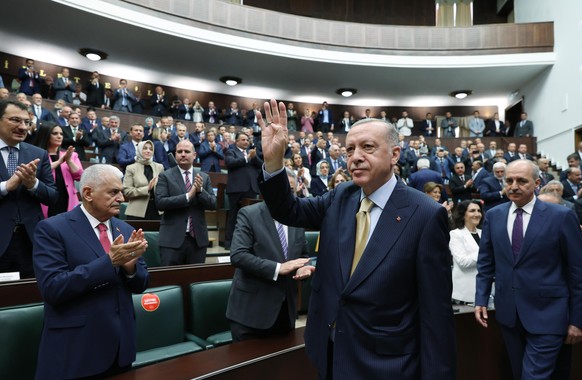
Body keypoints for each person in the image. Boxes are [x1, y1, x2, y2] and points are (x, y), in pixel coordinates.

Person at [256, 99, 455, 379]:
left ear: (395, 154)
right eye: (350, 149)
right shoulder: (341, 196)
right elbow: (287, 209)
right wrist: (274, 162)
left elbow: (436, 314)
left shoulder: (426, 214)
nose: (355, 157)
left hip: (386, 364)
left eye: (368, 147)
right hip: (330, 351)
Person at [32, 164, 149, 379]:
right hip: (76, 350)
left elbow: (140, 283)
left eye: (121, 191)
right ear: (88, 193)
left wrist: (130, 268)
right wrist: (110, 262)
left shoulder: (126, 229)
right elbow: (53, 288)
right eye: (113, 192)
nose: (121, 198)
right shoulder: (53, 229)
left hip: (121, 349)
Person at [475, 159, 582, 380]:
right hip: (509, 314)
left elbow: (577, 271)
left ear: (537, 182)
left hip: (550, 315)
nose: (514, 186)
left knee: (532, 376)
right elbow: (486, 262)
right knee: (521, 374)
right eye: (509, 180)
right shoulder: (494, 216)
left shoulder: (560, 216)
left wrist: (577, 319)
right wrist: (481, 299)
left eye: (522, 181)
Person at [226, 168, 314, 341]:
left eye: (288, 189)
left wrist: (302, 270)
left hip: (285, 314)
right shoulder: (249, 214)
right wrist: (278, 268)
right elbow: (238, 255)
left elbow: (302, 256)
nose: (283, 194)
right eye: (278, 188)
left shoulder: (297, 218)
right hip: (251, 315)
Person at [0, 100, 58, 278]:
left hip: (31, 241)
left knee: (29, 295)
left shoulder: (38, 154)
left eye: (27, 122)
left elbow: (53, 196)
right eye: (16, 120)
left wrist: (33, 184)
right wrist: (6, 186)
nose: (23, 127)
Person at [155, 140, 216, 265]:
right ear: (175, 154)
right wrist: (188, 196)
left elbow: (212, 204)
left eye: (187, 151)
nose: (183, 154)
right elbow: (160, 203)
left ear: (194, 155)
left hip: (197, 241)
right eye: (179, 151)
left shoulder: (204, 177)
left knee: (195, 281)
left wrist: (200, 191)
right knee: (171, 280)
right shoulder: (165, 176)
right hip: (172, 241)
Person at [33, 121, 83, 218]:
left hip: (66, 199)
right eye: (55, 133)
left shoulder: (71, 155)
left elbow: (80, 176)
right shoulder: (36, 154)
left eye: (61, 134)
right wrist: (59, 162)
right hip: (45, 199)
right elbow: (36, 173)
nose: (59, 136)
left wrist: (69, 161)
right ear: (46, 135)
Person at [224, 131, 263, 249]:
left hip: (251, 188)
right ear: (236, 141)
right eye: (243, 140)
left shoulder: (251, 153)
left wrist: (254, 157)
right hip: (236, 188)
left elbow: (261, 165)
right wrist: (247, 158)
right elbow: (230, 163)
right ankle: (229, 242)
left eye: (247, 140)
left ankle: (246, 243)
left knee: (250, 217)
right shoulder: (231, 151)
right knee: (233, 216)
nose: (246, 142)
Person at [449, 200, 482, 304]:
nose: (477, 214)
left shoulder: (484, 233)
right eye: (472, 211)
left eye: (479, 211)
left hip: (486, 290)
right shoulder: (455, 234)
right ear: (463, 214)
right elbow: (463, 262)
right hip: (465, 293)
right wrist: (485, 252)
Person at [123, 141, 164, 220]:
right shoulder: (131, 168)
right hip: (136, 212)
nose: (148, 151)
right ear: (139, 150)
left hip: (157, 210)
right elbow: (127, 191)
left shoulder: (159, 167)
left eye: (151, 149)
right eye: (145, 148)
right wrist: (147, 189)